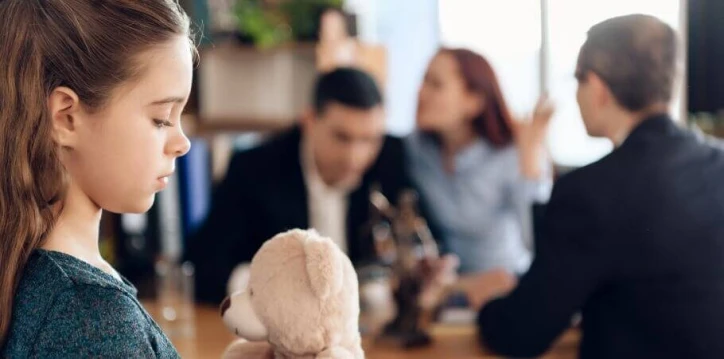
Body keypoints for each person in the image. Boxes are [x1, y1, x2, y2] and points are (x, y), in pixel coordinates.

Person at [465, 14, 724, 359]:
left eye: (577, 80)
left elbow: (520, 334)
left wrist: (486, 304)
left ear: (598, 88)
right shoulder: (717, 163)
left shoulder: (588, 192)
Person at [0, 1, 193, 357]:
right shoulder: (93, 319)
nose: (183, 143)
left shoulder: (45, 280)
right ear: (66, 118)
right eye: (162, 118)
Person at [186, 67, 448, 304]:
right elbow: (205, 266)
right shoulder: (255, 167)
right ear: (310, 121)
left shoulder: (391, 156)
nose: (355, 157)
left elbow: (431, 239)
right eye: (342, 137)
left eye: (370, 139)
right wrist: (273, 285)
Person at [406, 48, 554, 275]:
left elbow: (538, 242)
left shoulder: (513, 155)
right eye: (423, 80)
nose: (420, 92)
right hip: (446, 287)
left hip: (502, 284)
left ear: (473, 101)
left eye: (435, 84)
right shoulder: (417, 148)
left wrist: (530, 163)